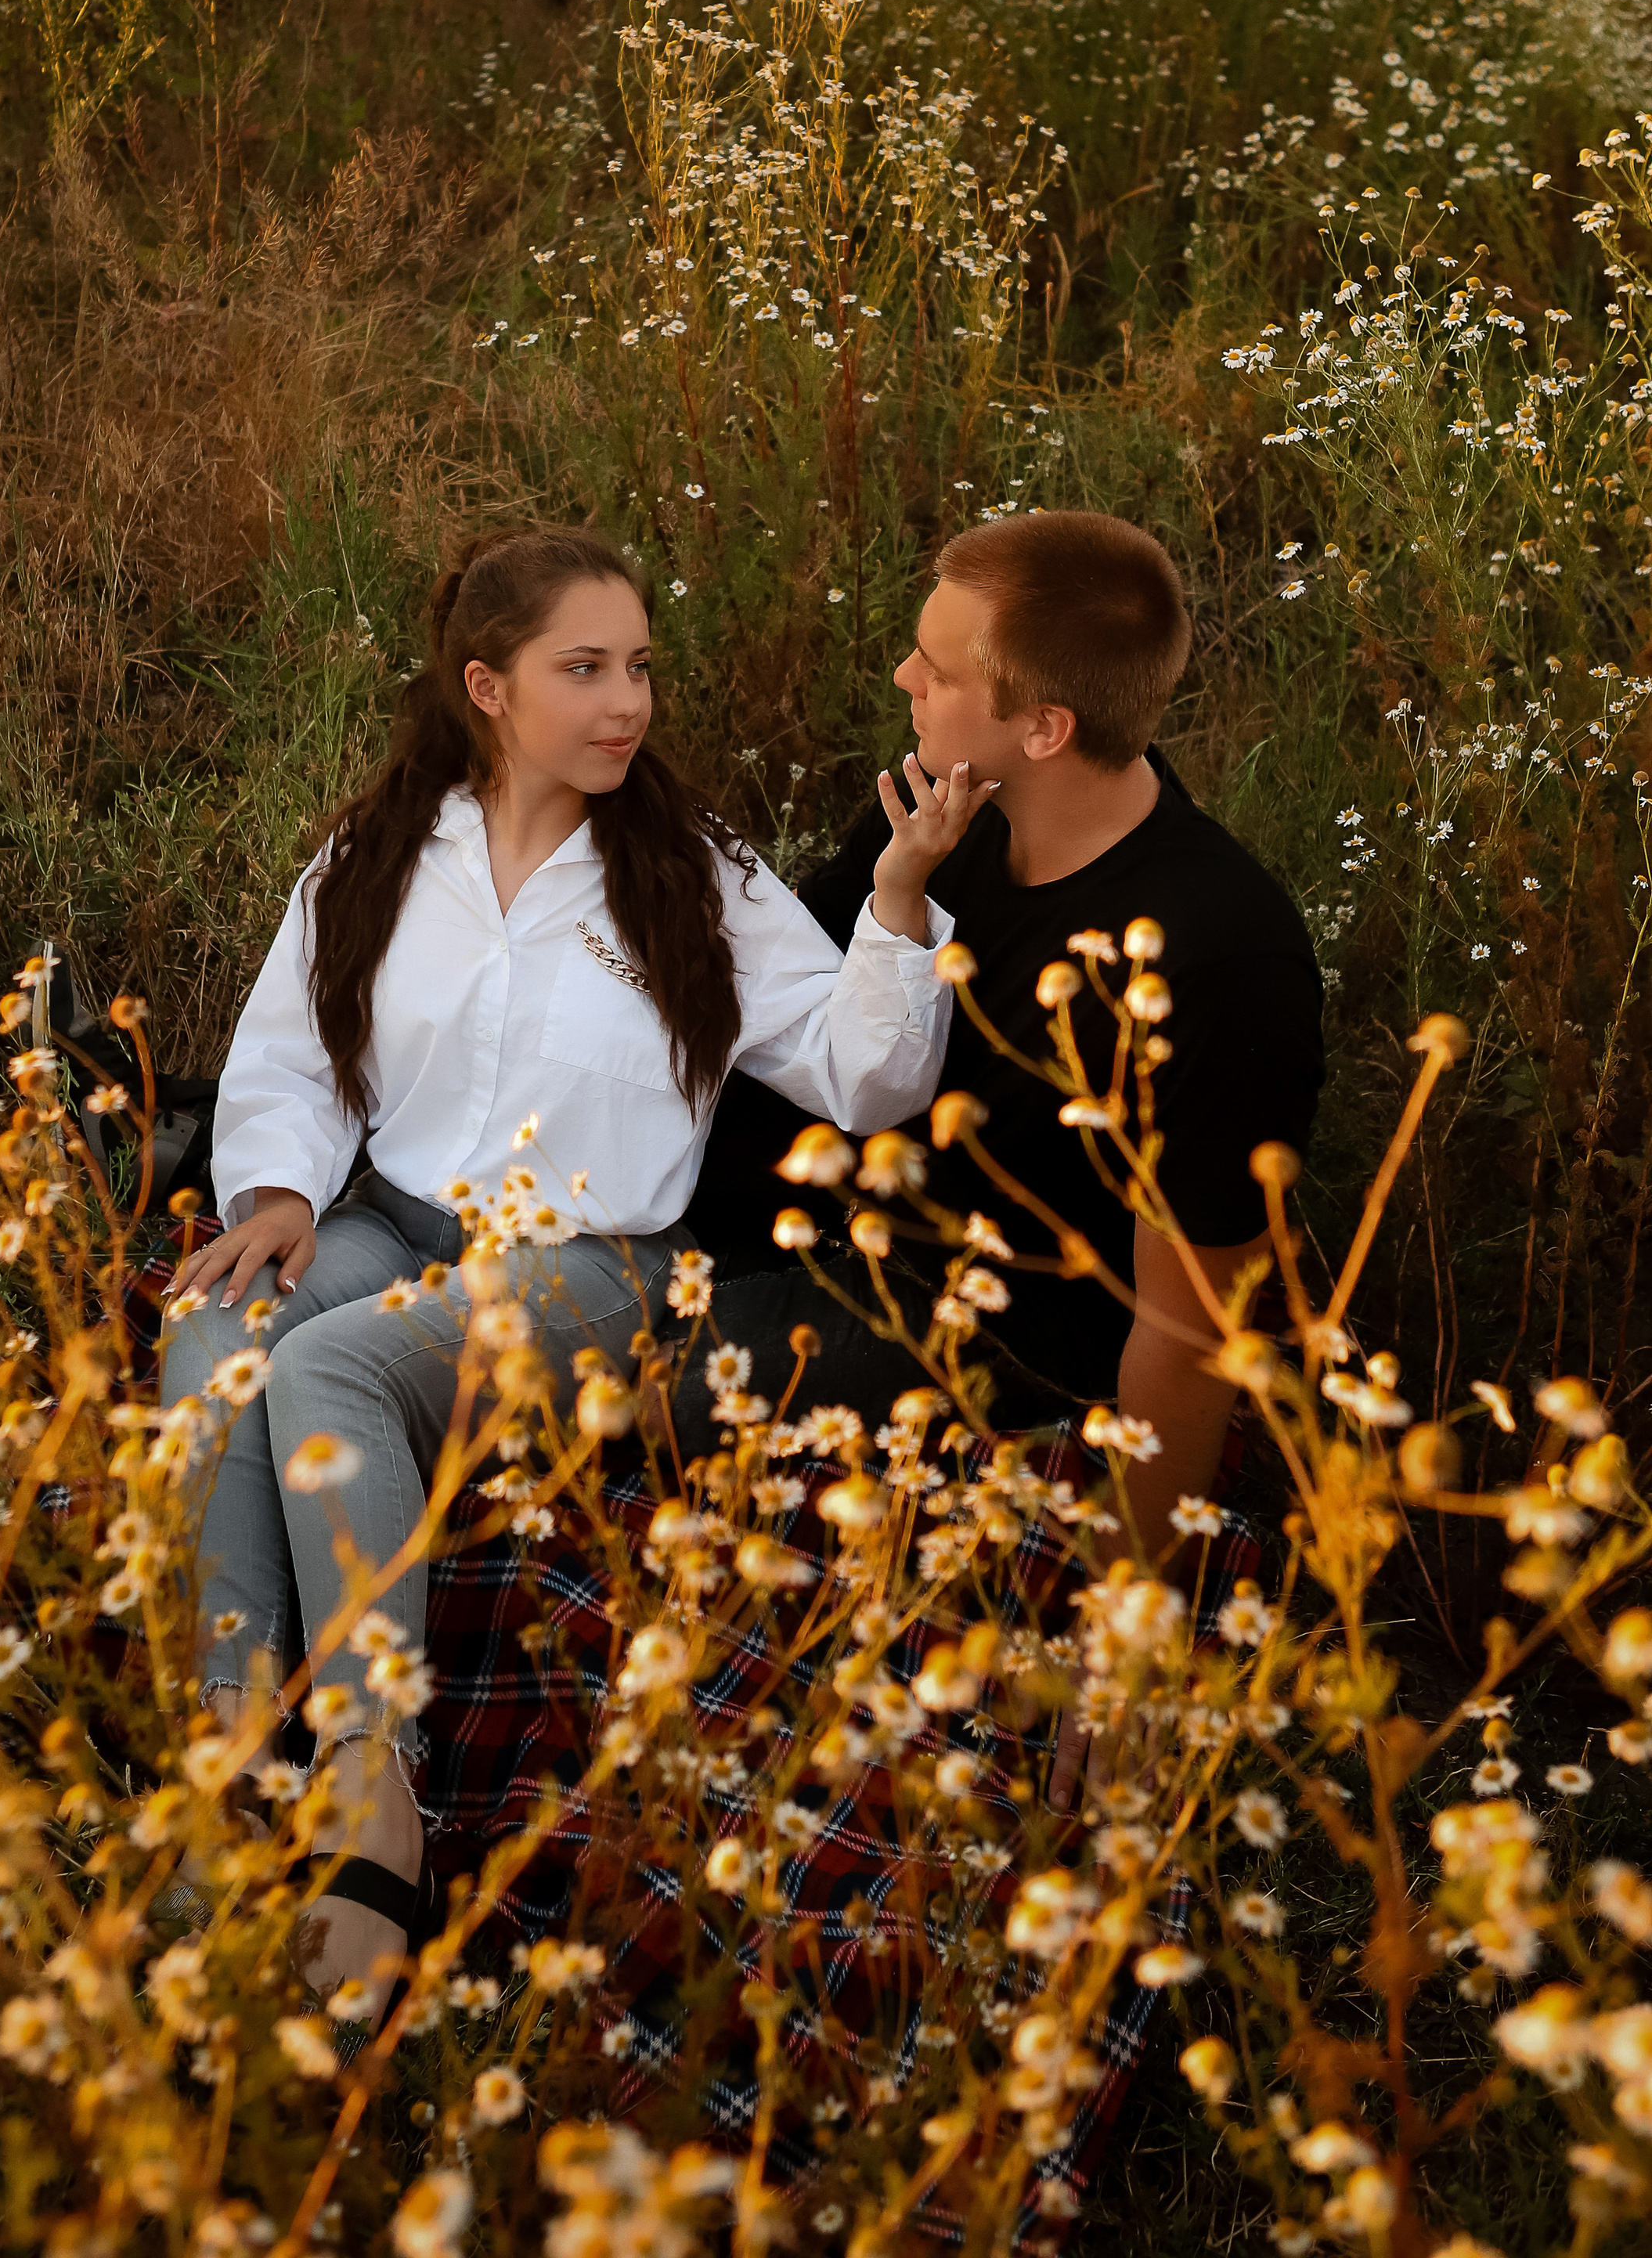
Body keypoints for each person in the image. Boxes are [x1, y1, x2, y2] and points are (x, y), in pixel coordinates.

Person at [160, 523, 982, 2010]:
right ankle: (224, 1751)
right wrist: (279, 1188)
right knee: (221, 1334)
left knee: (330, 1365)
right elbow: (294, 1047)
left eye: (641, 668)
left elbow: (867, 1077)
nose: (628, 703)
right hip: (389, 1214)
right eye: (584, 669)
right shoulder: (384, 853)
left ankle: (370, 1780)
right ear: (488, 684)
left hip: (593, 1259)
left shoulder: (693, 874)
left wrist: (906, 895)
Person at [685, 510, 1326, 1804]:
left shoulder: (1216, 956)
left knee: (517, 1404)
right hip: (797, 1225)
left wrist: (1129, 1630)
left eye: (939, 668)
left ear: (1045, 727)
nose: (906, 683)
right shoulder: (959, 820)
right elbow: (801, 990)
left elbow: (1188, 1325)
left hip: (972, 1338)